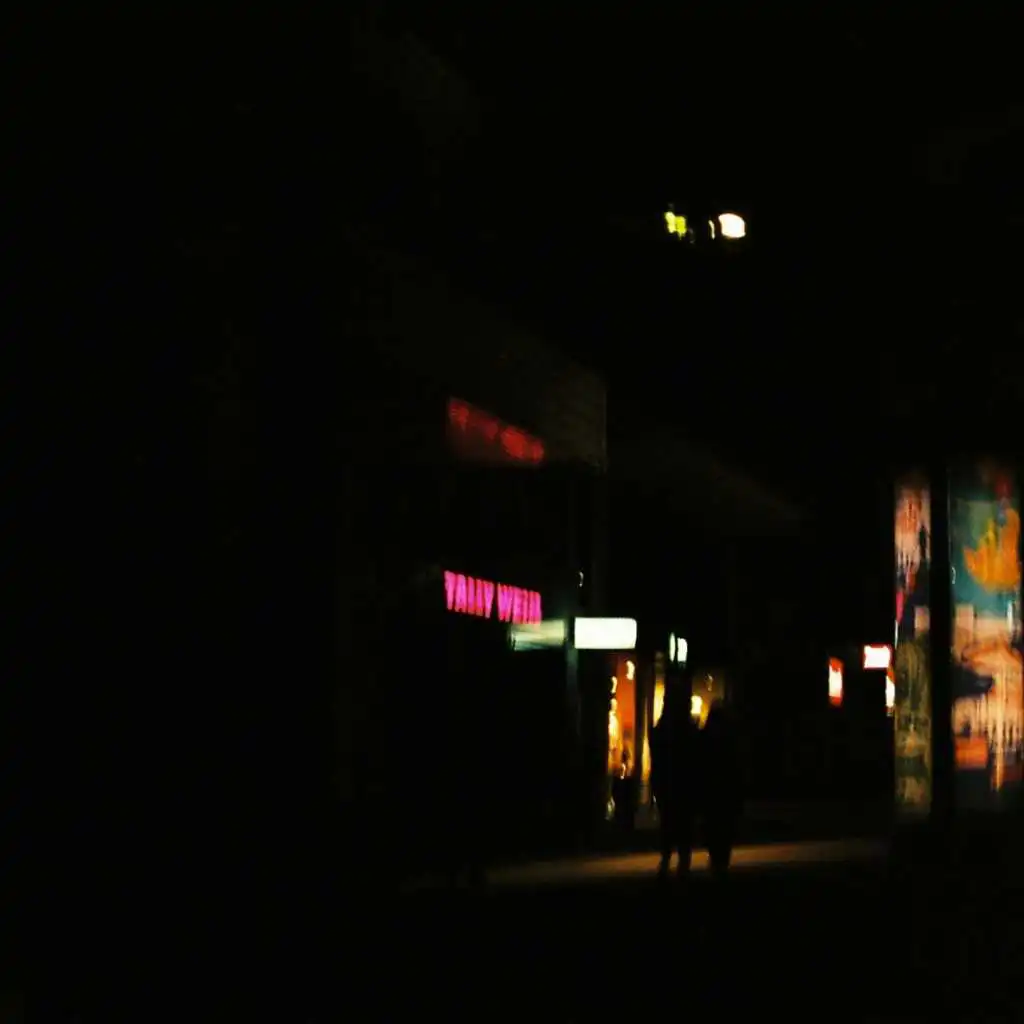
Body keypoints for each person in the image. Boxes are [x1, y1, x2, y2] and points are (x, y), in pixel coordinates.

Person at [650, 681, 699, 881]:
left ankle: (667, 860)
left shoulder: (663, 728)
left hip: (668, 782)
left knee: (668, 822)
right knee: (683, 823)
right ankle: (682, 861)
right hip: (682, 783)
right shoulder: (687, 729)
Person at [701, 701, 740, 876]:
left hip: (712, 790)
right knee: (724, 826)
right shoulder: (730, 737)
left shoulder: (707, 737)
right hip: (724, 790)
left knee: (713, 825)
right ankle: (722, 860)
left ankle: (716, 858)